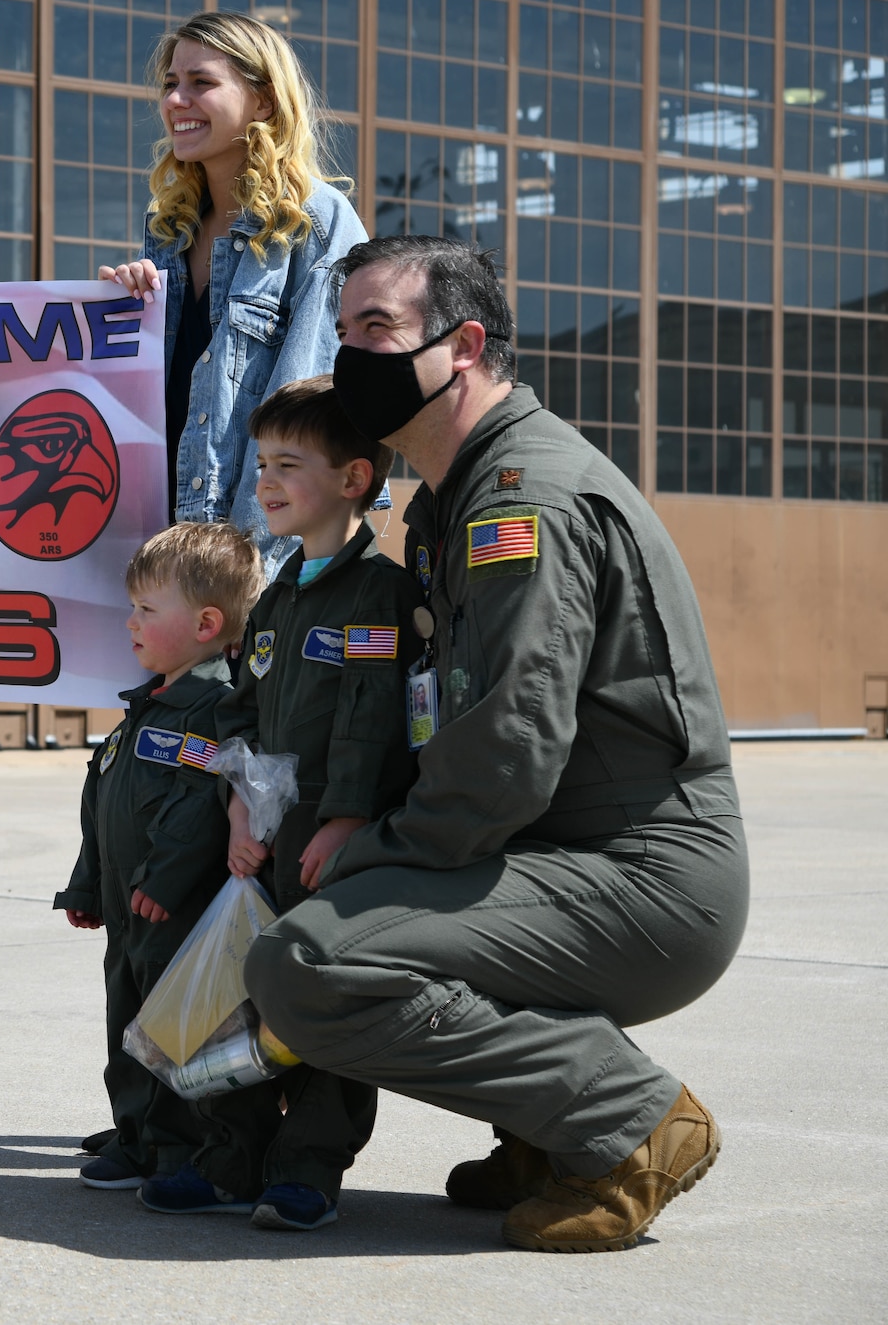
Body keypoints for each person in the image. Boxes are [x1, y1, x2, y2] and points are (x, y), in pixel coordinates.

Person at [243, 236, 749, 1252]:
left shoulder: (521, 500)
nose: (350, 358)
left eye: (375, 330)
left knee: (307, 963)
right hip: (566, 857)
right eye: (342, 333)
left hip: (643, 879)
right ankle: (545, 1129)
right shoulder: (450, 501)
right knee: (341, 914)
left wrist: (368, 862)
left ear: (462, 344)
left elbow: (504, 750)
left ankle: (627, 1121)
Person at [135, 375, 423, 1230]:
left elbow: (376, 719)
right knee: (245, 992)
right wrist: (235, 806)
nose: (265, 480)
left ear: (353, 479)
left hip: (341, 841)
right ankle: (234, 1156)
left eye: (287, 463)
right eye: (262, 461)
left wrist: (342, 819)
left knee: (328, 1001)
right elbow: (243, 715)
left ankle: (309, 1166)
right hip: (264, 834)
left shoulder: (381, 595)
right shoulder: (278, 600)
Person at [98, 11, 366, 572]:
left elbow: (306, 411)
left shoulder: (315, 224)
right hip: (152, 550)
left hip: (242, 561)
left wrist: (248, 575)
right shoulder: (165, 231)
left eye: (202, 82)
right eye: (171, 84)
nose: (176, 100)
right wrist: (121, 318)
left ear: (264, 101)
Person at [52, 522, 263, 1194]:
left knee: (173, 1026)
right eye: (133, 607)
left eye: (148, 609)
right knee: (126, 1016)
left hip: (172, 907)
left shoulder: (210, 709)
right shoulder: (147, 708)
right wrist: (86, 883)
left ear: (206, 623)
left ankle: (175, 1146)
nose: (130, 622)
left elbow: (203, 801)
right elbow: (103, 804)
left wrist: (167, 878)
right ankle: (136, 1127)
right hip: (127, 906)